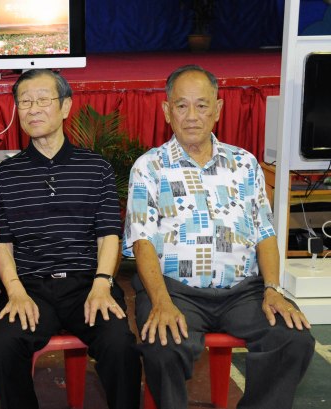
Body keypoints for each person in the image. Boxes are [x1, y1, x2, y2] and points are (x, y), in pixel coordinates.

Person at [123, 64, 315, 409]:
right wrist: (161, 301)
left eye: (202, 105)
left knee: (293, 338)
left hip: (243, 291)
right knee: (162, 345)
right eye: (181, 106)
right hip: (175, 290)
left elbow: (265, 233)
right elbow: (142, 241)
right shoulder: (149, 167)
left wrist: (273, 288)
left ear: (218, 109)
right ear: (166, 111)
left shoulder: (245, 164)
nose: (191, 116)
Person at [0, 69, 142, 409]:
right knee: (2, 346)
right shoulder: (4, 175)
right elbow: (2, 242)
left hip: (87, 283)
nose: (33, 109)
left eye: (43, 100)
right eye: (25, 102)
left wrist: (102, 283)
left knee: (120, 345)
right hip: (30, 286)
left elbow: (108, 234)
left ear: (66, 106)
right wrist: (15, 290)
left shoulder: (96, 167)